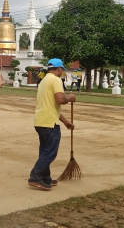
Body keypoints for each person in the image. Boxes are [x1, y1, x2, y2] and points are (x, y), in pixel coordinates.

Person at [28, 58, 76, 191]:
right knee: (50, 152)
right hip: (49, 123)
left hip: (41, 121)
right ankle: (35, 177)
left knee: (45, 151)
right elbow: (60, 100)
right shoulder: (55, 80)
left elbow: (50, 105)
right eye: (62, 70)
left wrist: (65, 121)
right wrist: (70, 98)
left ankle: (45, 178)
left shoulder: (43, 82)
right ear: (59, 69)